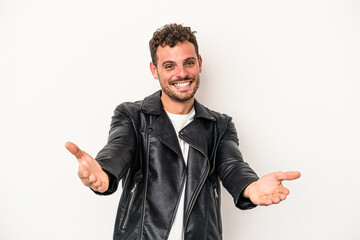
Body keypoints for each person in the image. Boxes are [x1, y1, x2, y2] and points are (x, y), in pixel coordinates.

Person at [65, 23, 301, 240]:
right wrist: (103, 173)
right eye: (169, 66)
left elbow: (232, 165)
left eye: (188, 63)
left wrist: (251, 186)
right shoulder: (131, 115)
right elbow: (118, 149)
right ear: (154, 70)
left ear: (199, 62)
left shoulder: (219, 125)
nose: (182, 74)